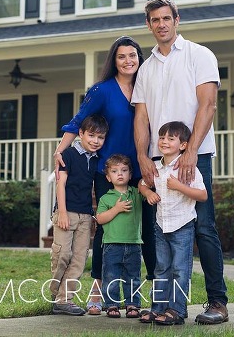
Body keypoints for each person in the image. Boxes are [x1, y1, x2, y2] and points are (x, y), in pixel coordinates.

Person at [132, 0, 229, 325]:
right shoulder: (145, 69)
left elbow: (208, 106)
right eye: (154, 20)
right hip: (159, 162)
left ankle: (217, 301)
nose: (161, 24)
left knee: (203, 228)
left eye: (166, 18)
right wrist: (143, 157)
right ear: (149, 25)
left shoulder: (199, 55)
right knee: (160, 232)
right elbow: (142, 117)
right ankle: (164, 307)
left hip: (194, 157)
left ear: (177, 19)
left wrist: (190, 152)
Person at [54, 36, 156, 316]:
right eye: (121, 56)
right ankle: (97, 292)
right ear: (114, 60)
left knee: (146, 230)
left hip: (140, 171)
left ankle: (152, 295)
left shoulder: (146, 87)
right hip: (107, 172)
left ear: (139, 58)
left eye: (132, 55)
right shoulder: (101, 90)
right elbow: (79, 120)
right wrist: (60, 150)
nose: (128, 61)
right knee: (105, 234)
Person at [138, 121, 207, 325]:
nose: (164, 141)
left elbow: (202, 195)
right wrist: (148, 192)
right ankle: (157, 308)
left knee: (180, 270)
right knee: (161, 269)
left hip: (182, 226)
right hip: (161, 225)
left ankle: (176, 310)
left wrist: (179, 186)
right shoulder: (156, 166)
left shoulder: (187, 168)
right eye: (162, 137)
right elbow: (141, 183)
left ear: (183, 145)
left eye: (170, 138)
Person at [51, 114, 108, 316]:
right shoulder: (68, 154)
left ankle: (65, 300)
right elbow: (61, 184)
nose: (95, 141)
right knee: (62, 255)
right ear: (81, 134)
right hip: (66, 212)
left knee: (79, 259)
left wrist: (91, 216)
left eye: (100, 138)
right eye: (91, 135)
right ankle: (55, 292)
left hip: (85, 215)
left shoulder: (96, 160)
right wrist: (63, 213)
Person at [95, 154, 143, 319]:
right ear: (108, 177)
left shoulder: (136, 193)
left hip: (134, 243)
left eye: (124, 170)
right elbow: (100, 219)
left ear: (130, 174)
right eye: (115, 171)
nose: (120, 174)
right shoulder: (106, 198)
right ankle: (111, 305)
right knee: (111, 276)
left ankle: (133, 304)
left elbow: (147, 186)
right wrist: (116, 209)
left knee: (133, 276)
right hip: (111, 244)